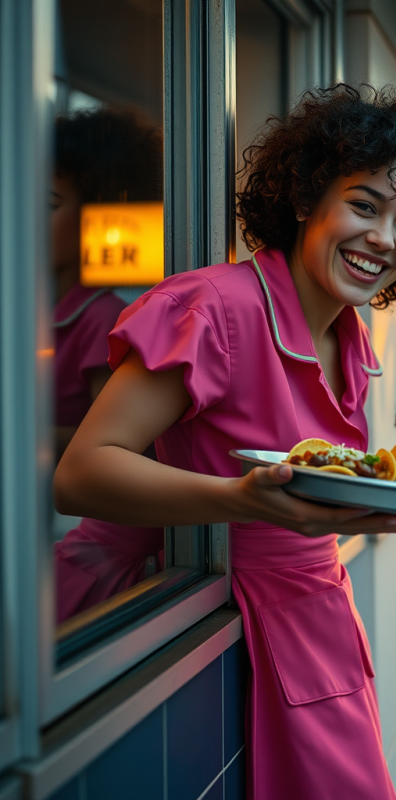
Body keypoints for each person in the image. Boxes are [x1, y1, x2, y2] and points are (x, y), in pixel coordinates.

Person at [54, 85, 396, 798]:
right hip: (154, 616)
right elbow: (81, 473)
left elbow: (329, 494)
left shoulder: (350, 337)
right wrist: (242, 502)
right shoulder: (212, 307)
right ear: (306, 199)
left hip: (311, 623)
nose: (385, 239)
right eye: (365, 206)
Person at [52, 107, 165, 623]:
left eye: (48, 204)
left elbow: (109, 448)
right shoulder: (33, 307)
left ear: (98, 214)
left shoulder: (100, 317)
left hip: (72, 531)